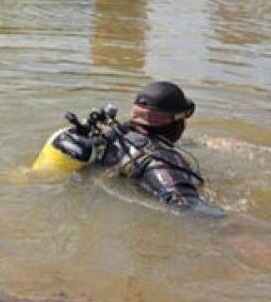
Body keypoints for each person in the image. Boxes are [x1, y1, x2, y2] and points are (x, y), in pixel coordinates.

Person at [37, 81, 221, 215]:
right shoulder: (162, 162)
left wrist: (206, 143)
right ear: (177, 122)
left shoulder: (118, 134)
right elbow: (188, 206)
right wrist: (234, 229)